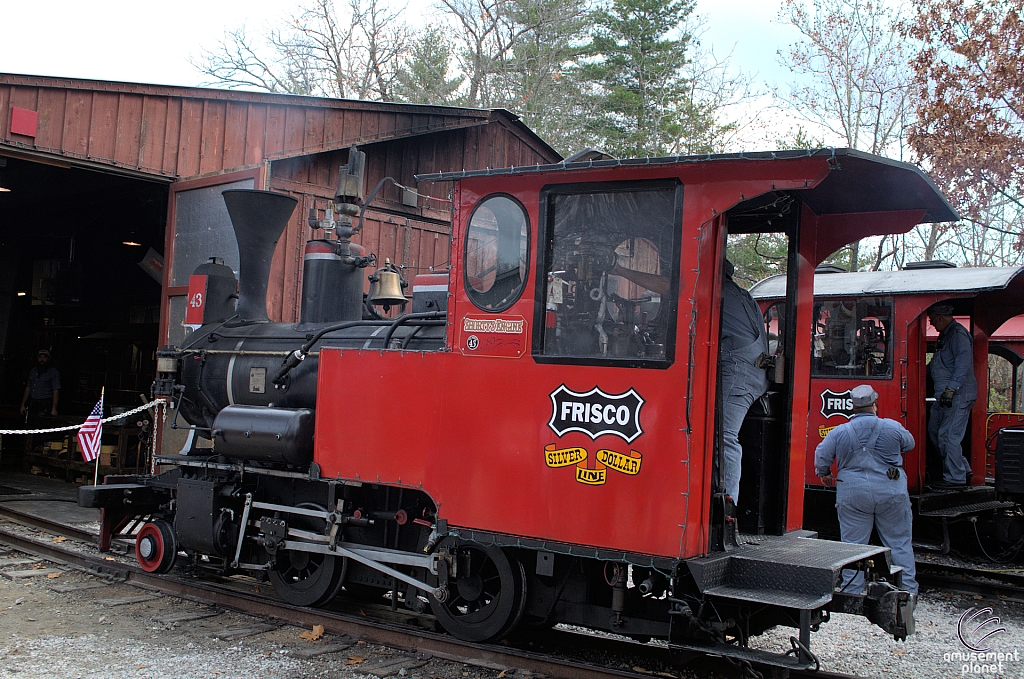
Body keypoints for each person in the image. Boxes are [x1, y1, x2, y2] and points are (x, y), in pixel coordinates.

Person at [815, 384, 918, 594]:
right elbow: (909, 444)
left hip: (853, 493)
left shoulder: (839, 431)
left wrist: (824, 473)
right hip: (891, 490)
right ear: (875, 405)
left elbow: (821, 455)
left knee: (853, 546)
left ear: (852, 407)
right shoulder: (892, 426)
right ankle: (907, 591)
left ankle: (852, 590)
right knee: (899, 543)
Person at [718, 259, 769, 505]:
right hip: (755, 373)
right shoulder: (743, 294)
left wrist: (619, 269)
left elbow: (666, 287)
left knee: (724, 436)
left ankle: (728, 504)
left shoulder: (717, 292)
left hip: (738, 373)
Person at [926, 302, 976, 488]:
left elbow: (963, 364)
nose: (932, 324)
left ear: (940, 318)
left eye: (932, 321)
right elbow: (935, 366)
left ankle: (955, 478)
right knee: (935, 432)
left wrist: (951, 388)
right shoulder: (944, 336)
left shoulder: (958, 335)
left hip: (956, 395)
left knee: (949, 436)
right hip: (943, 395)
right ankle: (962, 467)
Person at [20, 349, 61, 419]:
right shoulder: (33, 371)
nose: (42, 359)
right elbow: (28, 388)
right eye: (40, 357)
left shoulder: (53, 372)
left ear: (48, 359)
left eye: (44, 357)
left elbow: (56, 391)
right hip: (32, 402)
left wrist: (54, 408)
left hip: (45, 403)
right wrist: (23, 404)